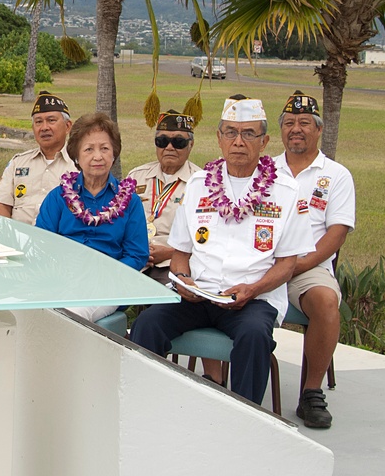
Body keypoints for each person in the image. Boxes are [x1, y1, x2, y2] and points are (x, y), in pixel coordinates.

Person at [129, 95, 314, 405]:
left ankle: (248, 417)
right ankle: (145, 405)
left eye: (248, 133)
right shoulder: (199, 185)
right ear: (219, 138)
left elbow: (286, 265)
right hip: (199, 294)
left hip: (253, 299)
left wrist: (253, 289)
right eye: (230, 132)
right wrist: (182, 279)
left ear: (264, 140)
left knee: (254, 336)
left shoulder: (285, 192)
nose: (238, 142)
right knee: (148, 324)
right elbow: (180, 253)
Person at [274, 90, 355, 428]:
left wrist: (297, 265)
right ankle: (220, 382)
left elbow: (335, 234)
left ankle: (311, 393)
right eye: (289, 123)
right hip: (263, 263)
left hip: (308, 267)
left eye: (305, 123)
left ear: (318, 129)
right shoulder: (265, 169)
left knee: (325, 302)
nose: (296, 129)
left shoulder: (336, 175)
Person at [36, 112, 149, 322]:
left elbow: (137, 254)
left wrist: (105, 276)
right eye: (89, 149)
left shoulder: (130, 201)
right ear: (76, 156)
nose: (98, 156)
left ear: (114, 154)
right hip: (62, 280)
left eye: (104, 148)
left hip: (109, 285)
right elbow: (43, 246)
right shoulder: (58, 197)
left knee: (72, 315)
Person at [127, 109, 202, 284]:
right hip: (134, 257)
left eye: (178, 142)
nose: (169, 147)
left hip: (172, 262)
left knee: (165, 302)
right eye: (162, 141)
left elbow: (206, 239)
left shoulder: (201, 183)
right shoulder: (136, 176)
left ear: (191, 145)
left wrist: (170, 252)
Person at [0, 91, 74, 224]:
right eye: (38, 122)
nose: (44, 127)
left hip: (59, 240)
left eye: (51, 120)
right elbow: (1, 204)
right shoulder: (18, 163)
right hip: (18, 238)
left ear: (67, 126)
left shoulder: (80, 165)